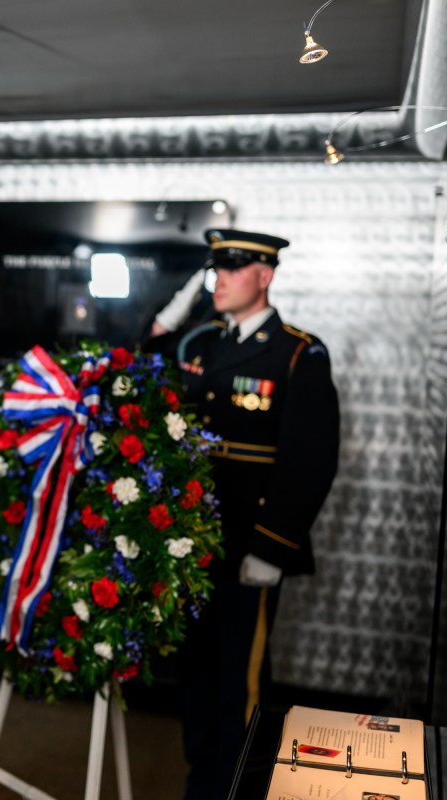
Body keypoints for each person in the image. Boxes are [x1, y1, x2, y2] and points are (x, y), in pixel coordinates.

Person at [173, 229, 340, 800]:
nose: (215, 278)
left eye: (230, 268)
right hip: (193, 544)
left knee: (237, 679)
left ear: (264, 275)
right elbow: (138, 359)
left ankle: (233, 789)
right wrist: (173, 311)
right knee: (195, 671)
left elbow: (310, 461)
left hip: (249, 545)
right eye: (213, 268)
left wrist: (272, 547)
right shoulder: (200, 346)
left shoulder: (298, 352)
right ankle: (202, 780)